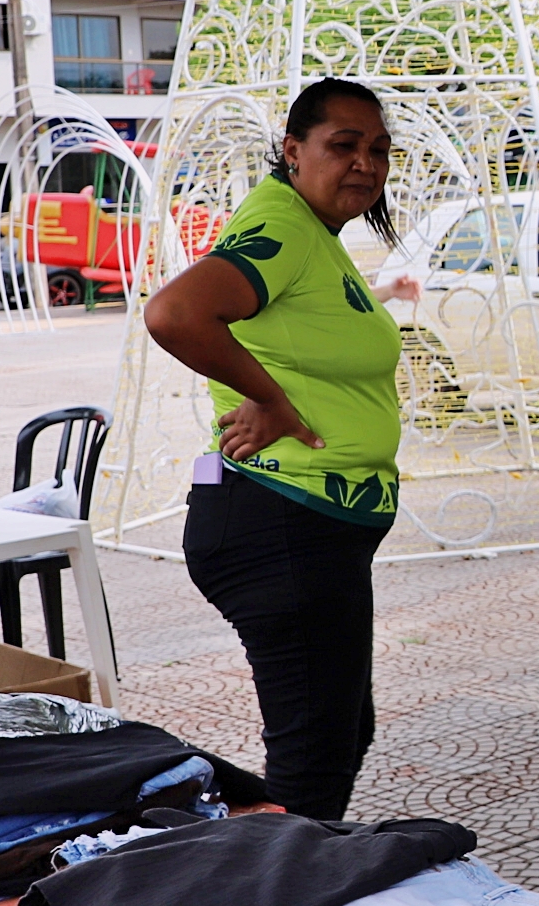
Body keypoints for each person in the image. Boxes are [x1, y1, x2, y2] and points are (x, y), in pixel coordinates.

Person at [144, 79, 408, 821]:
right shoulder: (283, 224)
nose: (365, 163)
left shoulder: (312, 235)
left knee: (336, 737)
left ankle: (254, 860)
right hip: (284, 526)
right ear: (293, 150)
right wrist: (270, 400)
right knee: (315, 757)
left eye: (379, 149)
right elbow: (175, 313)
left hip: (309, 529)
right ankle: (257, 880)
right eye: (343, 145)